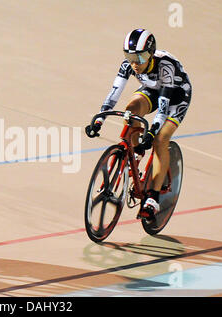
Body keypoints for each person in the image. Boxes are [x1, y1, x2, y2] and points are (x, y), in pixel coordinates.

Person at [85, 28, 191, 219]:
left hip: (175, 97)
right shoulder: (130, 64)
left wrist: (151, 133)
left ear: (150, 54)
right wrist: (99, 119)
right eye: (130, 56)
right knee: (131, 110)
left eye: (140, 58)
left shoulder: (166, 67)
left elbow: (163, 108)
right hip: (152, 88)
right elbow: (114, 93)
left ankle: (153, 198)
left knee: (160, 139)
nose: (135, 63)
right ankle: (135, 153)